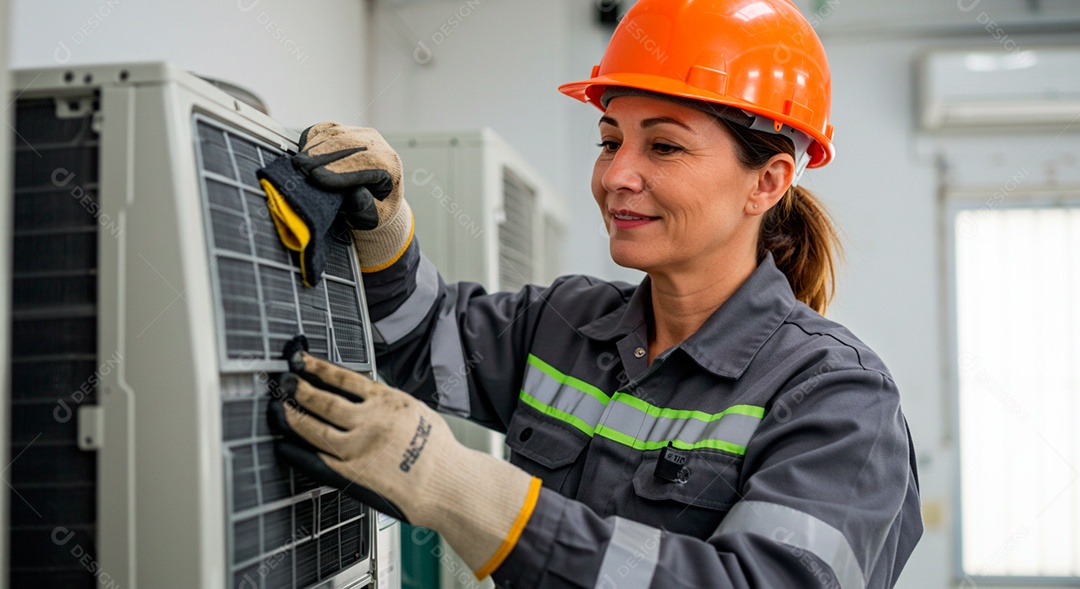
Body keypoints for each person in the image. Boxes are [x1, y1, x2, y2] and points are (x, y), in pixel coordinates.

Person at [264, 0, 923, 587]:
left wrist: (465, 490)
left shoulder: (838, 398)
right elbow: (421, 341)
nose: (617, 176)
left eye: (663, 146)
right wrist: (385, 232)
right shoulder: (567, 323)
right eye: (610, 142)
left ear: (767, 182)